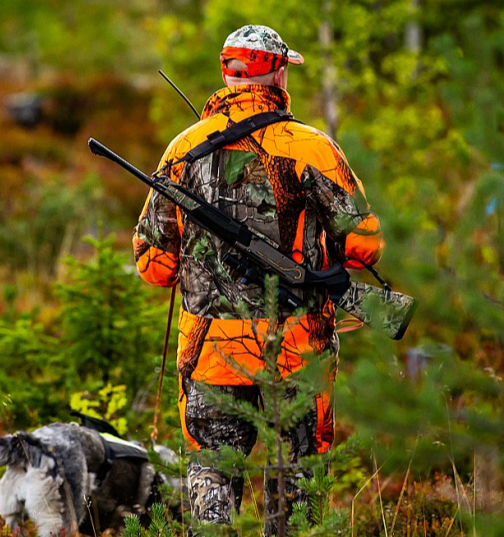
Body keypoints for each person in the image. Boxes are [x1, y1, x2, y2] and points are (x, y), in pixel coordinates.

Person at [133, 25, 384, 534]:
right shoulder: (312, 148)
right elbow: (365, 243)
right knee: (300, 480)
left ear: (228, 72)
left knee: (211, 478)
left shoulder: (183, 150)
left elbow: (153, 265)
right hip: (297, 348)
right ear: (277, 72)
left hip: (208, 352)